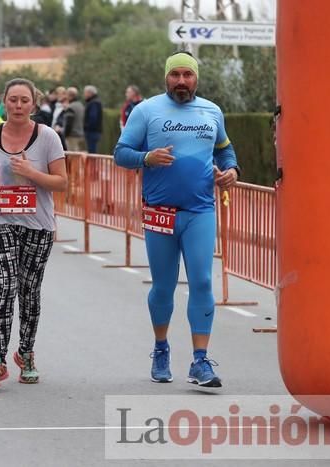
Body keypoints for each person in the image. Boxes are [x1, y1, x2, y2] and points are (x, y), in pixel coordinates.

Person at [114, 51, 240, 387]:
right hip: (160, 213)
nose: (181, 81)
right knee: (164, 287)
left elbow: (225, 149)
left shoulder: (212, 111)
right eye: (175, 75)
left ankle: (200, 361)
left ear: (196, 78)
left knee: (201, 282)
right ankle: (161, 348)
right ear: (166, 78)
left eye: (188, 75)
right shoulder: (146, 111)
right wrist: (147, 157)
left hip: (200, 211)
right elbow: (120, 153)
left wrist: (231, 170)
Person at [0, 78, 68, 387]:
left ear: (34, 105)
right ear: (4, 103)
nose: (18, 106)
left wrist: (31, 174)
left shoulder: (48, 137)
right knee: (5, 284)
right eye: (13, 100)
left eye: (24, 100)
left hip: (37, 224)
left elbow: (61, 182)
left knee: (29, 291)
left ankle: (25, 353)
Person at [64, 86, 85, 151]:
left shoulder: (71, 107)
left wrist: (65, 134)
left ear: (70, 95)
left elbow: (69, 123)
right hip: (81, 135)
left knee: (72, 158)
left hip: (72, 136)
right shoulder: (81, 106)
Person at [83, 85, 103, 153]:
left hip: (92, 132)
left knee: (92, 151)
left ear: (90, 93)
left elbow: (93, 118)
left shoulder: (94, 103)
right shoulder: (94, 102)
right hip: (94, 131)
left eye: (85, 93)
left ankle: (92, 164)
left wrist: (86, 127)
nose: (84, 94)